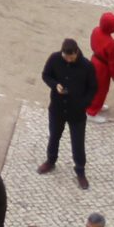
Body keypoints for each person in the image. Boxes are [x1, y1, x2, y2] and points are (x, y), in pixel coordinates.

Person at [37, 36, 95, 188]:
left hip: (77, 112)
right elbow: (46, 75)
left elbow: (93, 88)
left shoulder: (86, 66)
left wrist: (84, 104)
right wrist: (55, 85)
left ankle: (80, 171)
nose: (68, 60)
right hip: (57, 109)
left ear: (76, 52)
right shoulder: (55, 58)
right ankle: (51, 161)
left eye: (71, 57)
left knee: (78, 143)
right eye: (66, 57)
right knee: (54, 136)